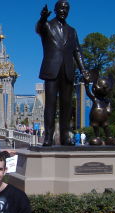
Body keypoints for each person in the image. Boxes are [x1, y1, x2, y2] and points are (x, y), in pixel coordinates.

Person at [36, 0, 90, 146]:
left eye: (66, 9)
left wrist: (83, 69)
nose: (63, 11)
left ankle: (65, 136)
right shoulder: (47, 26)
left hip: (67, 71)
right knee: (50, 105)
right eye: (61, 8)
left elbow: (77, 51)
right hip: (51, 70)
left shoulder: (72, 31)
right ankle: (48, 136)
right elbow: (39, 29)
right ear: (55, 9)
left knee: (66, 105)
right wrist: (42, 18)